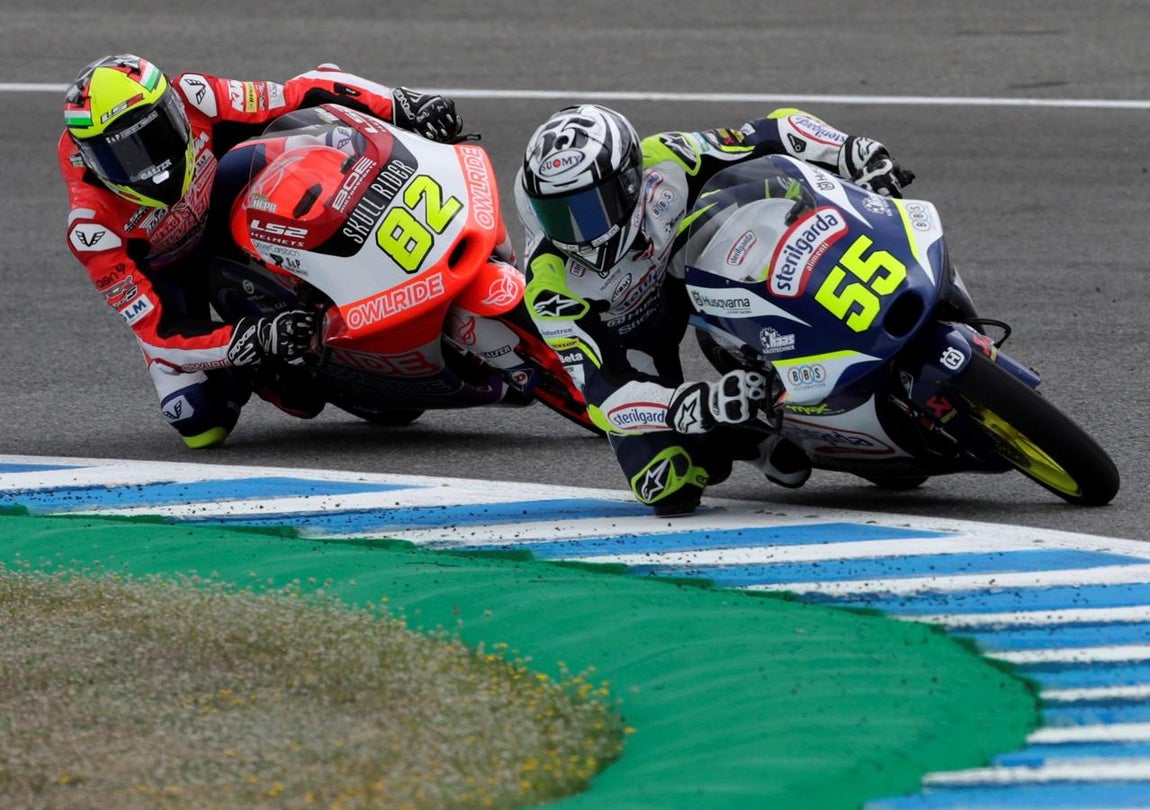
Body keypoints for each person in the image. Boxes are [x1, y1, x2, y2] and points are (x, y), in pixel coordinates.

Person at [515, 104, 914, 515]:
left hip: (697, 271)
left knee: (766, 211)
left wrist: (853, 151)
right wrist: (698, 404)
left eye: (588, 209)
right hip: (632, 337)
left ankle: (830, 330)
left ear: (630, 182)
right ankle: (748, 433)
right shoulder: (548, 288)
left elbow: (768, 132)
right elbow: (605, 397)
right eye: (557, 215)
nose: (579, 234)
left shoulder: (667, 157)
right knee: (667, 484)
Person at [59, 54, 463, 448]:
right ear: (89, 159)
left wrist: (401, 103)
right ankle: (263, 368)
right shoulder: (93, 229)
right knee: (200, 420)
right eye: (123, 156)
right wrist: (254, 337)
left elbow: (303, 90)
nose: (151, 165)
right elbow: (159, 337)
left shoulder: (197, 96)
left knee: (323, 135)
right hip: (172, 273)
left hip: (229, 195)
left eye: (155, 137)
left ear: (174, 111)